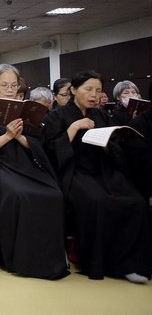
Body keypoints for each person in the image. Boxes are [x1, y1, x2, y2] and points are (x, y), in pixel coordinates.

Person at [42, 70, 151, 282]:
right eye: (88, 89)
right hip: (74, 171)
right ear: (73, 90)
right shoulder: (56, 116)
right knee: (97, 201)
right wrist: (73, 128)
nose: (94, 95)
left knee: (135, 201)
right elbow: (50, 151)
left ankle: (130, 264)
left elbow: (115, 148)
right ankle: (98, 261)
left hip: (103, 169)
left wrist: (107, 145)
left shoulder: (101, 115)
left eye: (98, 90)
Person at [0, 64, 68, 280]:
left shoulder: (29, 110)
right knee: (18, 195)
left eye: (13, 85)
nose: (9, 89)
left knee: (53, 194)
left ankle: (49, 259)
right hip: (0, 167)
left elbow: (41, 143)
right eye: (3, 85)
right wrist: (6, 136)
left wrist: (22, 137)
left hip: (27, 164)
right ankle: (19, 259)